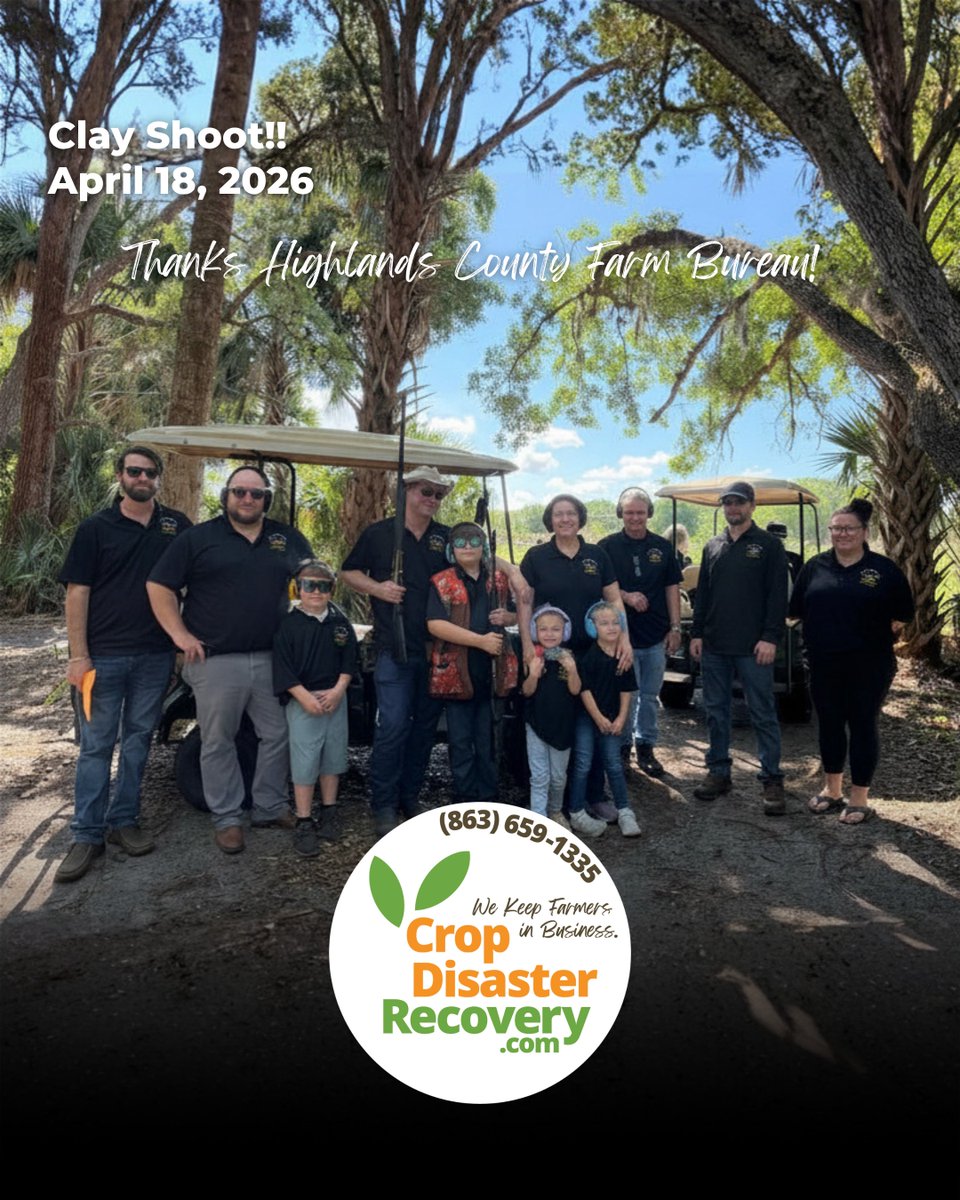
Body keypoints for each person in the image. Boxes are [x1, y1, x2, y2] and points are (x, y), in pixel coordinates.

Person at [147, 464, 312, 854]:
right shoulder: (199, 538)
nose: (248, 499)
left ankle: (269, 806)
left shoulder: (286, 538)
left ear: (266, 499)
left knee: (276, 735)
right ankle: (227, 818)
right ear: (227, 496)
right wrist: (179, 634)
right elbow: (159, 585)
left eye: (256, 494)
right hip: (216, 661)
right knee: (218, 740)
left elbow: (312, 580)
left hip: (273, 659)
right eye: (240, 492)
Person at [56, 446, 192, 882]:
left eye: (150, 472)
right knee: (96, 746)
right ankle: (86, 834)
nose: (142, 478)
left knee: (137, 741)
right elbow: (77, 593)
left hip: (154, 657)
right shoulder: (95, 528)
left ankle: (123, 822)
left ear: (159, 478)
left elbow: (201, 576)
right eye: (134, 471)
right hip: (103, 659)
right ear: (120, 475)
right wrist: (79, 655)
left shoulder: (176, 527)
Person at [340, 465, 452, 835]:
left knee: (423, 728)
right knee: (391, 727)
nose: (432, 499)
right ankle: (383, 804)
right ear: (405, 492)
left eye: (438, 494)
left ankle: (410, 796)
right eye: (425, 491)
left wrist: (513, 574)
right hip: (393, 647)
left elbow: (474, 562)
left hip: (437, 650)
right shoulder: (378, 533)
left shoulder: (445, 538)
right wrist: (379, 589)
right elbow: (349, 572)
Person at [789, 498, 913, 825]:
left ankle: (859, 798)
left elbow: (901, 617)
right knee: (829, 723)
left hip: (869, 666)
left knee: (861, 724)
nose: (842, 534)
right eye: (836, 528)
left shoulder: (884, 570)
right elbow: (796, 611)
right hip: (822, 662)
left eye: (849, 528)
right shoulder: (814, 567)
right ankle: (832, 790)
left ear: (864, 532)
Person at [690, 481, 789, 814]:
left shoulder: (768, 546)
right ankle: (719, 772)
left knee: (762, 713)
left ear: (752, 506)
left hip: (754, 647)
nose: (733, 508)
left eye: (739, 503)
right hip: (715, 645)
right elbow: (702, 594)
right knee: (716, 712)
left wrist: (771, 637)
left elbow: (778, 596)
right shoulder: (712, 546)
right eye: (728, 503)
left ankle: (772, 779)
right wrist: (697, 633)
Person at [425, 522, 518, 804]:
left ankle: (489, 795)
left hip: (492, 672)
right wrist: (479, 641)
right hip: (456, 674)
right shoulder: (441, 581)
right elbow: (435, 624)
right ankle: (465, 796)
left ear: (484, 546)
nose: (468, 547)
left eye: (474, 540)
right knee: (461, 741)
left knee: (489, 737)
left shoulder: (500, 580)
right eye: (461, 541)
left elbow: (517, 613)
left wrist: (507, 618)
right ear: (451, 548)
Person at [273, 559, 358, 856]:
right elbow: (282, 667)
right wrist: (302, 696)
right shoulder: (288, 624)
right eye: (309, 585)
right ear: (299, 588)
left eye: (323, 587)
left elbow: (350, 660)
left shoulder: (340, 623)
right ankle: (304, 819)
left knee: (333, 757)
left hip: (335, 698)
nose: (316, 592)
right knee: (305, 759)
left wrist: (338, 690)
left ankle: (330, 811)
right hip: (302, 701)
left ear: (331, 590)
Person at [599, 487, 682, 776]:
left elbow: (673, 588)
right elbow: (599, 587)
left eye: (640, 512)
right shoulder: (607, 547)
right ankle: (622, 748)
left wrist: (675, 627)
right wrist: (626, 596)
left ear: (649, 513)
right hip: (620, 637)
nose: (635, 517)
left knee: (649, 695)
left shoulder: (662, 547)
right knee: (626, 695)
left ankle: (646, 746)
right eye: (629, 512)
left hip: (655, 634)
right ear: (620, 513)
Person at [568, 602, 641, 838]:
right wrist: (598, 717)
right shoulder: (588, 657)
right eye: (604, 623)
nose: (611, 627)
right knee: (583, 763)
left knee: (613, 763)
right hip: (587, 718)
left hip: (612, 718)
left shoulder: (624, 658)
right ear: (593, 627)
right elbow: (585, 691)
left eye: (615, 623)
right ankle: (577, 810)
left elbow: (626, 690)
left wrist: (621, 718)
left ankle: (625, 811)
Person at [522, 605, 580, 827]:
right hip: (536, 724)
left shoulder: (569, 657)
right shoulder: (532, 656)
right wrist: (534, 674)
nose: (549, 634)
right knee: (539, 776)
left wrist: (573, 670)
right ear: (535, 631)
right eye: (543, 629)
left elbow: (575, 690)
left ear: (564, 631)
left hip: (562, 725)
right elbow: (526, 691)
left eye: (555, 629)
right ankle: (539, 818)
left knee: (558, 777)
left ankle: (555, 810)